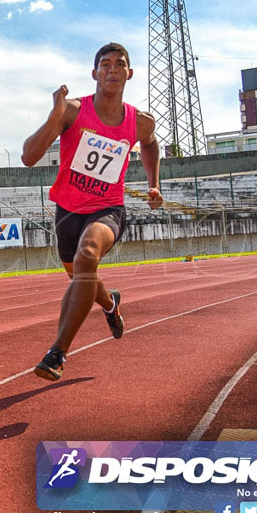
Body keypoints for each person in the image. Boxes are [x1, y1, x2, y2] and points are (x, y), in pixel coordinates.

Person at [21, 42, 162, 381]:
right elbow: (28, 157)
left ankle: (57, 353)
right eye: (106, 64)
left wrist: (154, 183)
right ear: (95, 73)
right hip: (68, 211)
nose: (113, 69)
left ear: (129, 73)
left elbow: (151, 142)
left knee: (87, 258)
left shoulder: (139, 121)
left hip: (108, 209)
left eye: (120, 64)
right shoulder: (71, 111)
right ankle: (110, 304)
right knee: (82, 276)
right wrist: (54, 116)